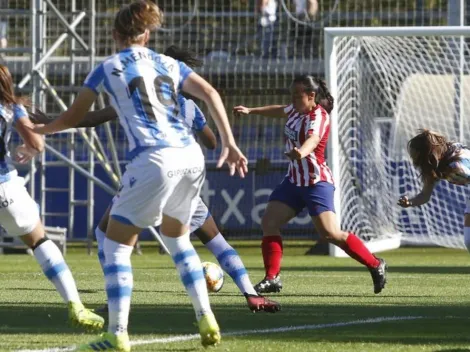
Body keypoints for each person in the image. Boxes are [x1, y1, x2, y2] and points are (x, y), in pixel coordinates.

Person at [32, 1, 247, 351]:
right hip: (190, 158)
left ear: (115, 34)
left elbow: (74, 117)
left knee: (115, 246)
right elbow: (209, 92)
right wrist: (231, 143)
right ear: (147, 34)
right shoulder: (168, 63)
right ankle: (205, 315)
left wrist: (43, 129)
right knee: (178, 240)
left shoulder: (107, 68)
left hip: (153, 159)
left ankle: (117, 334)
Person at [70, 45, 279, 314]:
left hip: (148, 172)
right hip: (182, 175)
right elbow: (211, 142)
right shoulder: (190, 106)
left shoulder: (138, 95)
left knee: (104, 232)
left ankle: (115, 299)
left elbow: (93, 119)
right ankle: (251, 294)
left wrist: (51, 121)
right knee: (214, 241)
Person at [233, 75, 388, 295]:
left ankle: (375, 264)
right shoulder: (296, 109)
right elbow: (280, 110)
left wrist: (301, 152)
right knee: (269, 222)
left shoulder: (319, 116)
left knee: (330, 234)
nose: (293, 99)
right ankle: (272, 277)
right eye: (292, 95)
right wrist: (252, 111)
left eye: (297, 95)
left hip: (316, 182)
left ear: (311, 96)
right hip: (294, 180)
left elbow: (314, 140)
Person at [0, 64, 104, 331]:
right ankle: (76, 305)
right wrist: (28, 149)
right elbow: (37, 143)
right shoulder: (12, 107)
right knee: (39, 241)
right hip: (5, 190)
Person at [398, 129, 470, 249]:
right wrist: (411, 202)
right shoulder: (436, 166)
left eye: (415, 155)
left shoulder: (457, 166)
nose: (413, 160)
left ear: (426, 154)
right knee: (469, 241)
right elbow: (425, 195)